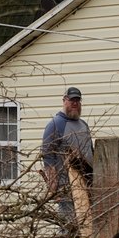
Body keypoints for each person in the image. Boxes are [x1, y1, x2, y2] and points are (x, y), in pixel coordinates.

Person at [41, 86, 94, 226]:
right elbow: (48, 155)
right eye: (72, 100)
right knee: (69, 227)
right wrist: (54, 187)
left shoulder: (84, 125)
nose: (75, 103)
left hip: (87, 186)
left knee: (87, 226)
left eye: (77, 100)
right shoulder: (55, 124)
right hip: (67, 188)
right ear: (64, 100)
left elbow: (91, 153)